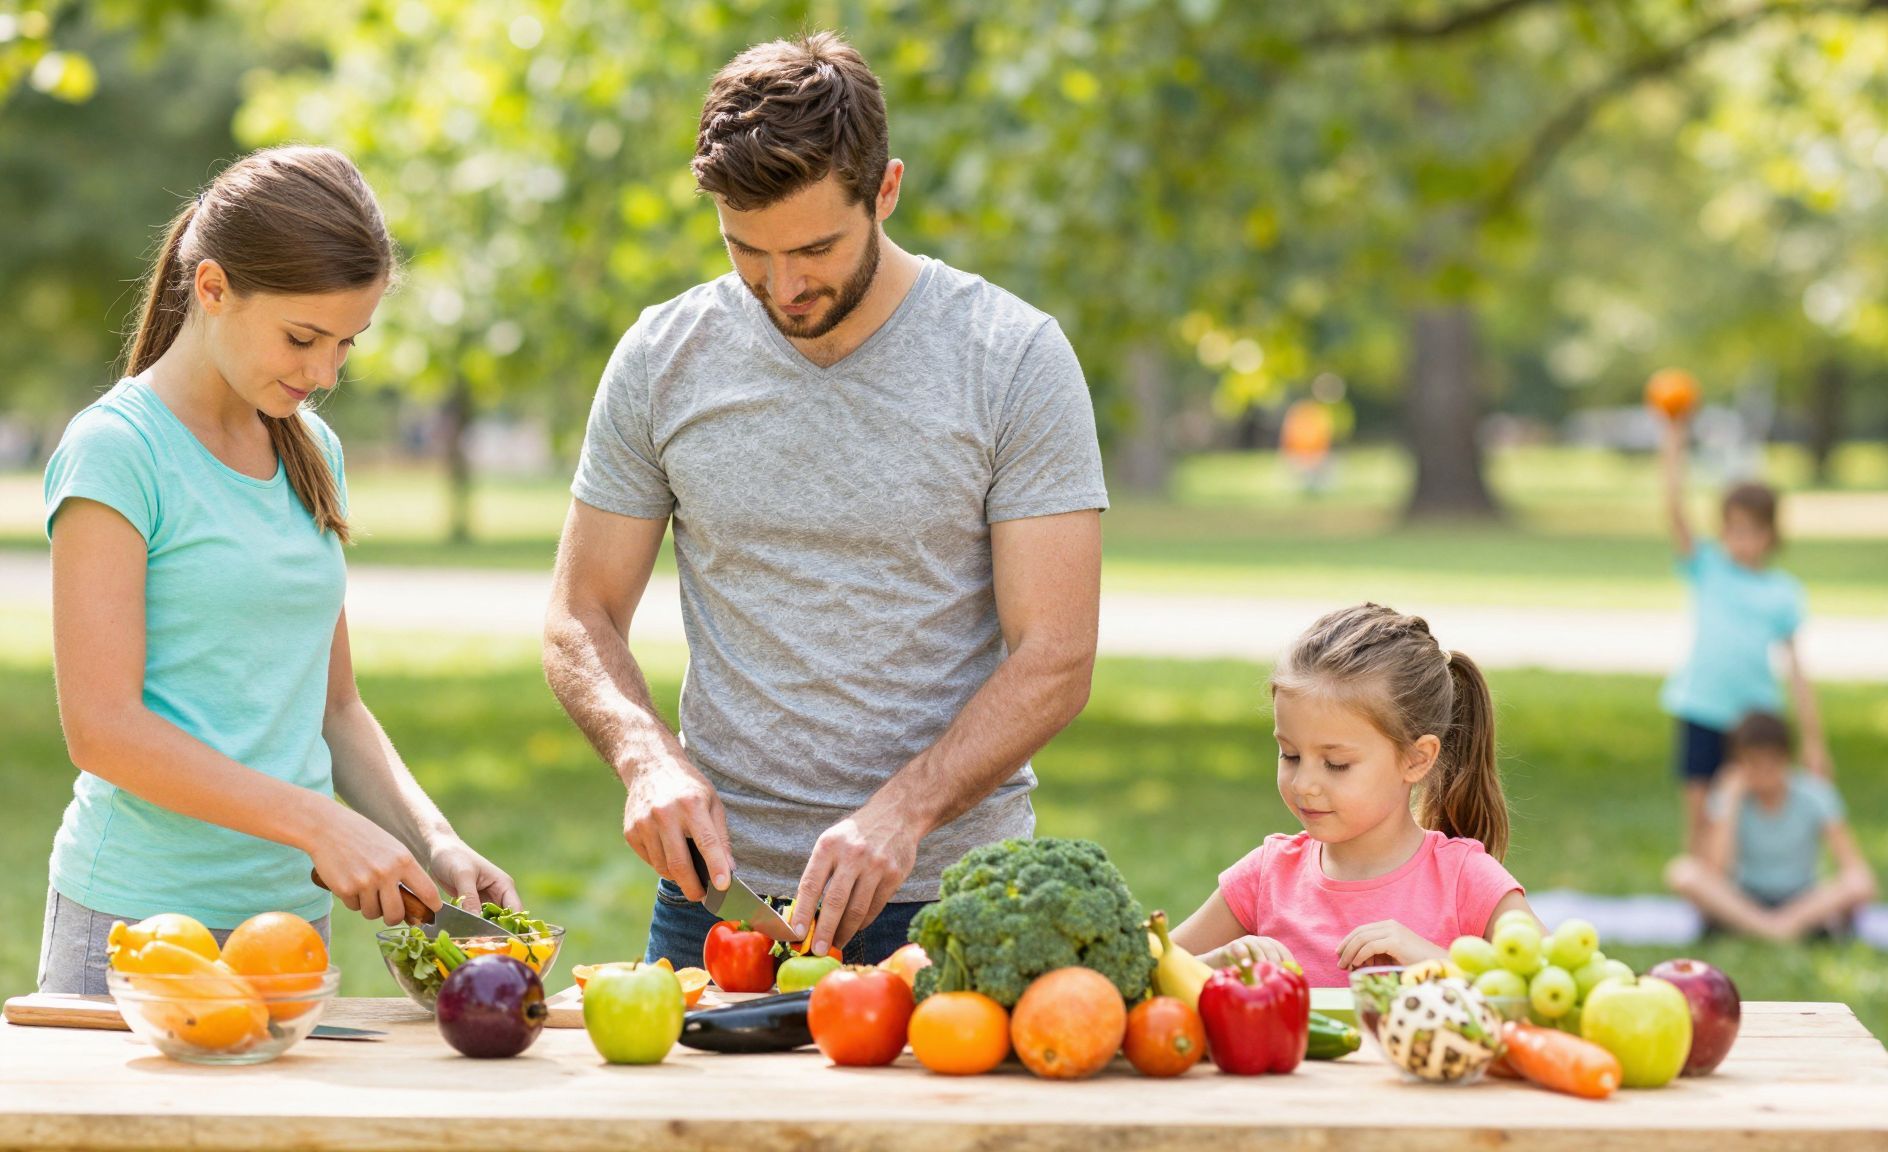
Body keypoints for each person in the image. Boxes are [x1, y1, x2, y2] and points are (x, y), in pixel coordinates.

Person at [543, 33, 1106, 968]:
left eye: (814, 248)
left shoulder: (1011, 358)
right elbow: (579, 613)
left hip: (955, 901)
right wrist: (644, 758)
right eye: (746, 251)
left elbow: (1056, 655)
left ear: (885, 192)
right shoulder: (660, 358)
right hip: (718, 899)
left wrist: (903, 812)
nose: (784, 286)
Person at [36, 147, 520, 995]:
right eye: (303, 338)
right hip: (139, 926)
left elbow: (335, 707)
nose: (325, 374)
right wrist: (320, 825)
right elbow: (102, 729)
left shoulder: (311, 450)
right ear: (213, 288)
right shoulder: (118, 451)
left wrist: (432, 840)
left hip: (290, 927)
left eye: (346, 344)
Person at [1170, 603, 1535, 988]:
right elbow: (1146, 970)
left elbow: (1549, 991)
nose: (1303, 784)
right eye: (1290, 755)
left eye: (1336, 763)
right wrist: (1214, 964)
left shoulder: (1467, 880)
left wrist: (1437, 965)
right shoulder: (1266, 877)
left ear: (1416, 758)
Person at [1659, 408, 1829, 856]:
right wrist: (1674, 438)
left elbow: (1796, 670)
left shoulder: (1783, 592)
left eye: (1752, 531)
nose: (1742, 540)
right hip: (1700, 706)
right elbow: (1674, 509)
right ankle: (1697, 889)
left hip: (1752, 719)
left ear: (1772, 535)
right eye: (1733, 529)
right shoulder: (1708, 566)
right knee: (1698, 807)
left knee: (1741, 812)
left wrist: (1813, 741)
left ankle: (1735, 889)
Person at [1665, 712, 1875, 941]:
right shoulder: (1729, 797)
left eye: (1771, 763)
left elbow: (1856, 870)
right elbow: (1716, 870)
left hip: (1801, 898)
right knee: (1683, 872)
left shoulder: (1815, 795)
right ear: (1738, 763)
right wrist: (1730, 804)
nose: (1764, 773)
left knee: (1858, 884)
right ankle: (1773, 929)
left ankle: (1775, 926)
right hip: (1744, 897)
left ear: (1786, 759)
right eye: (1753, 763)